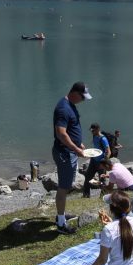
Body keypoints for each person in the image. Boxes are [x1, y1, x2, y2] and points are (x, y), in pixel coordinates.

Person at [36, 192, 133, 265]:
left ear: (111, 209)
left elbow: (101, 261)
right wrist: (112, 224)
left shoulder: (110, 230)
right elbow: (123, 233)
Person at [52, 81, 91, 234]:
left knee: (66, 185)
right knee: (63, 188)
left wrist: (78, 143)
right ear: (75, 93)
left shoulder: (70, 105)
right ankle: (61, 224)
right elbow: (61, 133)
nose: (84, 100)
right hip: (65, 153)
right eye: (83, 97)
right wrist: (75, 148)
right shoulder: (63, 108)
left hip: (70, 152)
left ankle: (60, 214)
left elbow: (70, 129)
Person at [82, 123, 111, 197]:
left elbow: (109, 152)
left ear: (98, 129)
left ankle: (103, 195)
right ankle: (86, 195)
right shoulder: (94, 136)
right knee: (88, 177)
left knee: (102, 179)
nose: (92, 132)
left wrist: (104, 162)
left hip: (100, 162)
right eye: (91, 130)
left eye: (93, 130)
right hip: (93, 160)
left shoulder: (103, 139)